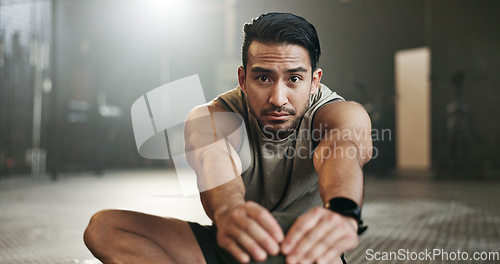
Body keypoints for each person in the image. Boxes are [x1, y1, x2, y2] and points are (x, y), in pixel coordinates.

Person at [84, 12, 372, 264]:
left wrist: (342, 211)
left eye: (294, 79)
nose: (278, 98)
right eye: (263, 78)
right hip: (235, 239)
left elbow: (340, 148)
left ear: (315, 81)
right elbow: (213, 157)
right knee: (105, 229)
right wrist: (229, 211)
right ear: (243, 79)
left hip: (304, 247)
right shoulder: (213, 115)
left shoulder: (339, 114)